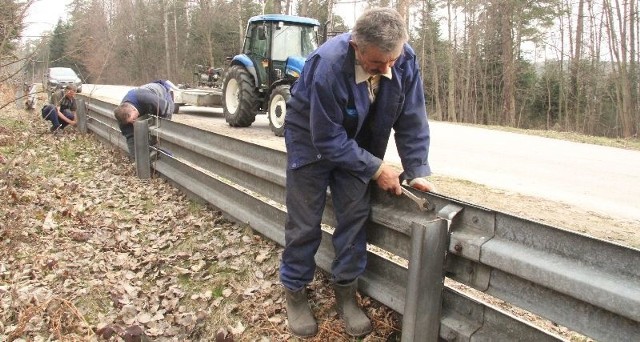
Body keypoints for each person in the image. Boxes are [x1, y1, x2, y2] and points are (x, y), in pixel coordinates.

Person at [279, 7, 435, 338]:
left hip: (359, 140)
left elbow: (411, 116)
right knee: (305, 220)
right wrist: (377, 167)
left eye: (393, 60)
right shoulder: (328, 65)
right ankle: (295, 290)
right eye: (378, 63)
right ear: (356, 47)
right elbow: (326, 137)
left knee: (355, 215)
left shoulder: (401, 58)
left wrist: (417, 168)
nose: (388, 68)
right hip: (312, 138)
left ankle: (346, 293)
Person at [113, 80, 175, 159]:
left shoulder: (146, 98)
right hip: (145, 104)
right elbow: (130, 138)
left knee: (161, 133)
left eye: (134, 119)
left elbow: (168, 109)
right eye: (130, 122)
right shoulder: (122, 117)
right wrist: (136, 159)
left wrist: (158, 136)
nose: (133, 122)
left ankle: (167, 159)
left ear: (134, 110)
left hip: (162, 93)